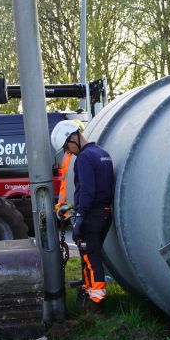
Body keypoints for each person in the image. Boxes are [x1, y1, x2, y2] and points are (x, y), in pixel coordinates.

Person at [50, 119, 114, 313]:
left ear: (73, 137)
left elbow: (87, 190)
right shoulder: (103, 154)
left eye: (67, 147)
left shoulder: (85, 158)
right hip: (104, 214)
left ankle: (96, 305)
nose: (69, 152)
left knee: (90, 259)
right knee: (90, 256)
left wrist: (80, 217)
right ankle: (89, 293)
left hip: (91, 216)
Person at [54, 120, 85, 223]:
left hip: (73, 205)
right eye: (65, 148)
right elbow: (66, 182)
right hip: (71, 205)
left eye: (66, 147)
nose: (67, 150)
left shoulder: (73, 156)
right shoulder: (70, 156)